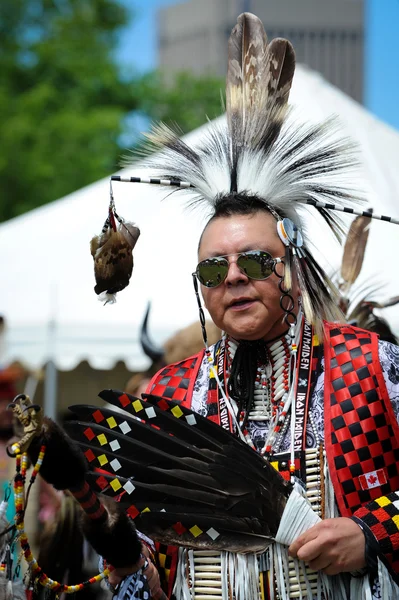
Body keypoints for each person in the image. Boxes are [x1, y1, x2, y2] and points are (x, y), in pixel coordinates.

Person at [5, 11, 399, 600]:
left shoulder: (369, 367)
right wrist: (107, 530)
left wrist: (373, 534)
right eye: (215, 268)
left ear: (291, 269)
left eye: (256, 262)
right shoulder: (170, 395)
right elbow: (150, 577)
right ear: (201, 285)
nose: (235, 278)